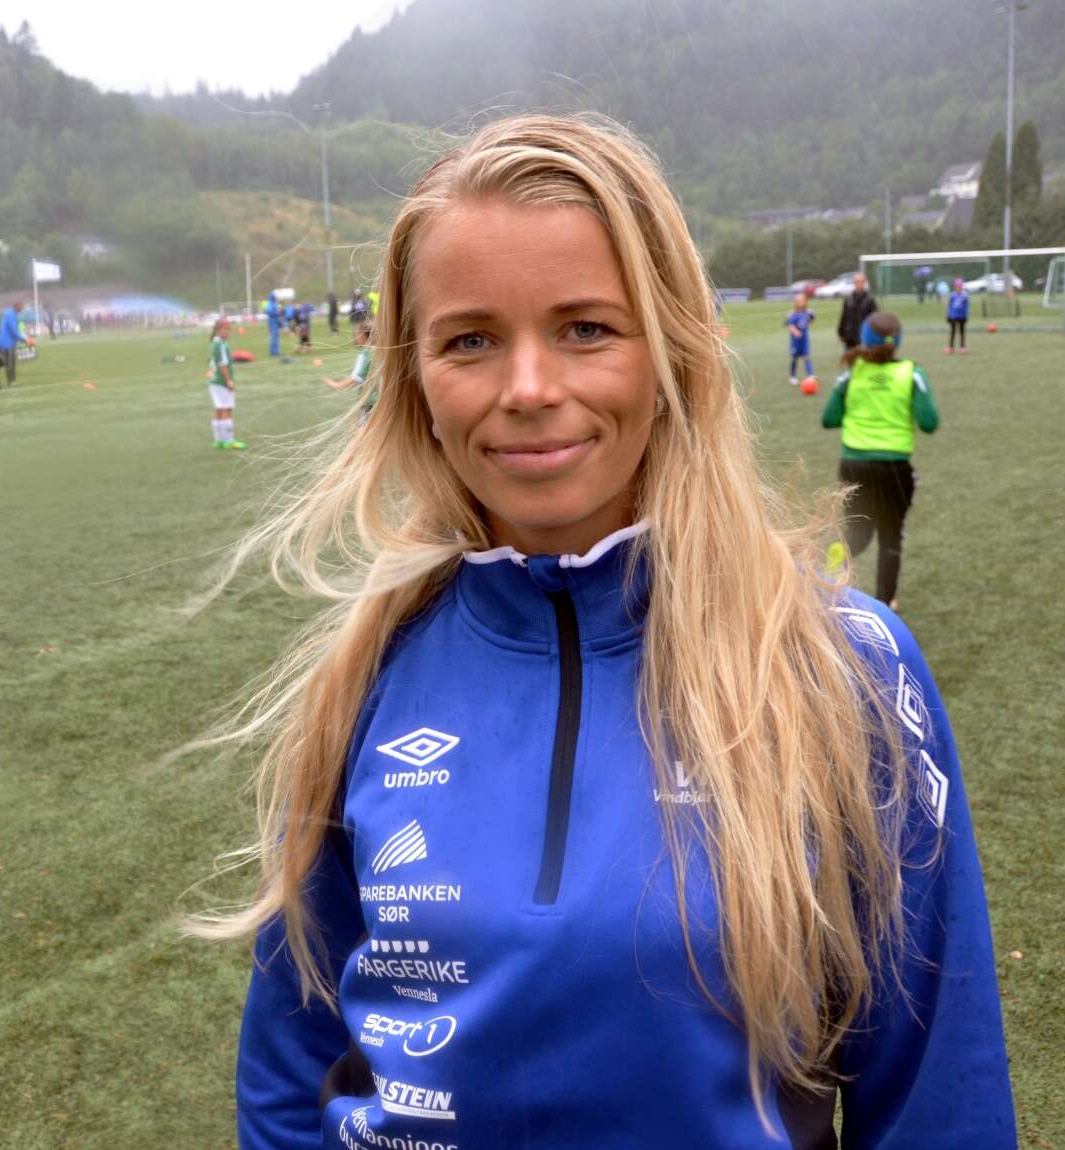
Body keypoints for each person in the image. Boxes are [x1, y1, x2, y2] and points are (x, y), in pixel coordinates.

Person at [200, 115, 1012, 1150]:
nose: (528, 389)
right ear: (413, 378)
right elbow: (289, 1071)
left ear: (671, 348)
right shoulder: (362, 676)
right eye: (469, 340)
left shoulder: (842, 667)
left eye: (584, 328)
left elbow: (937, 1103)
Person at [823, 313, 938, 610]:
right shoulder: (911, 373)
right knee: (890, 537)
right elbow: (929, 422)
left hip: (854, 464)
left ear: (864, 338)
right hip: (894, 468)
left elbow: (829, 418)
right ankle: (885, 603)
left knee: (858, 532)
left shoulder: (852, 371)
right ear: (897, 341)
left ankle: (831, 571)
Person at [321, 320, 376, 421]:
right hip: (381, 400)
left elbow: (356, 376)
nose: (355, 338)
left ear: (363, 335)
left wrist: (337, 385)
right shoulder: (379, 351)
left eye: (357, 334)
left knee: (364, 428)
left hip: (369, 401)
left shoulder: (364, 353)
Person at [206, 316, 245, 451]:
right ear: (219, 330)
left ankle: (218, 440)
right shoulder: (221, 344)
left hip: (213, 381)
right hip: (221, 381)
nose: (229, 333)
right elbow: (223, 364)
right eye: (226, 329)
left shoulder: (214, 343)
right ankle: (229, 440)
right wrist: (228, 380)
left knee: (218, 408)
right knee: (227, 409)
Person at [837, 271, 877, 351]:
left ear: (865, 283)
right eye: (857, 282)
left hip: (864, 336)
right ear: (854, 283)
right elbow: (844, 316)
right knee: (850, 357)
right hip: (850, 336)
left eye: (861, 282)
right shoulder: (848, 299)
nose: (859, 284)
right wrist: (841, 332)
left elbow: (875, 318)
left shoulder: (870, 300)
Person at [785, 292, 815, 387]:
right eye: (798, 301)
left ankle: (810, 375)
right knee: (794, 358)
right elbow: (790, 326)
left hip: (804, 340)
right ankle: (792, 376)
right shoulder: (793, 314)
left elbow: (810, 320)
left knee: (806, 357)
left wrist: (811, 318)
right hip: (795, 341)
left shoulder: (807, 313)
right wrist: (795, 331)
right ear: (795, 302)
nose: (801, 302)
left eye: (802, 300)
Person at [0, 306, 22, 386]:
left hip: (3, 343)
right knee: (11, 363)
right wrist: (23, 339)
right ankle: (12, 381)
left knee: (7, 363)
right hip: (9, 344)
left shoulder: (5, 316)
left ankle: (10, 381)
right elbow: (13, 331)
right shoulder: (11, 316)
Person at [946, 278, 970, 355]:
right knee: (953, 332)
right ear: (955, 287)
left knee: (962, 332)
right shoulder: (952, 295)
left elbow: (966, 307)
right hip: (953, 316)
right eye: (957, 286)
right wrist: (948, 315)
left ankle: (962, 347)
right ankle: (950, 347)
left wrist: (966, 315)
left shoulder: (965, 295)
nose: (959, 287)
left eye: (960, 286)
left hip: (962, 316)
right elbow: (950, 306)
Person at [266, 292, 283, 357]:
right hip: (272, 321)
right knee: (274, 337)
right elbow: (269, 312)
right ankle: (274, 352)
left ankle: (275, 351)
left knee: (276, 336)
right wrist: (277, 312)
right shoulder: (270, 304)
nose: (276, 297)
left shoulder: (274, 303)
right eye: (275, 296)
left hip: (275, 321)